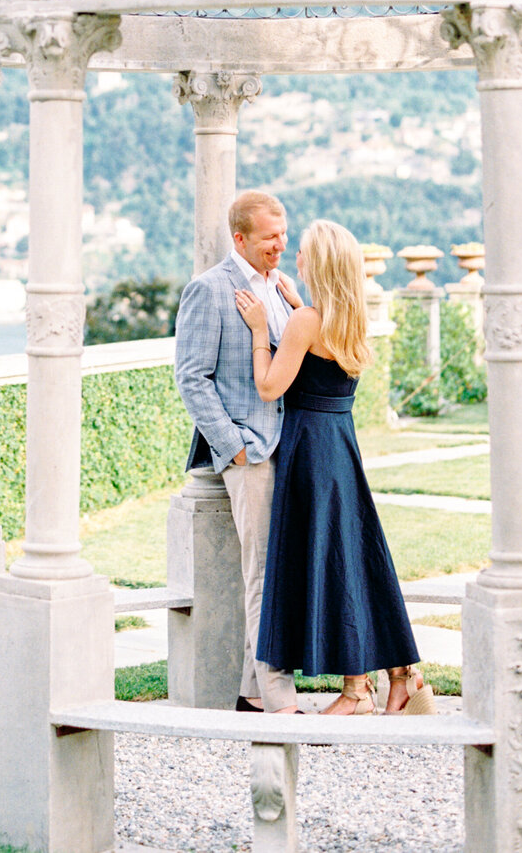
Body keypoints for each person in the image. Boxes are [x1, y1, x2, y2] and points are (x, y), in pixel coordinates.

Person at [235, 217, 434, 716]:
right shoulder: (348, 318)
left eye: (301, 251)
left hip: (309, 452)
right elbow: (324, 356)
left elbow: (269, 387)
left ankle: (363, 689)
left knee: (334, 561)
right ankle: (396, 678)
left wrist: (262, 330)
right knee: (357, 559)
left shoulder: (306, 322)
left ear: (317, 263)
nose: (294, 257)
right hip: (340, 445)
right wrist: (298, 305)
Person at [174, 190, 300, 715]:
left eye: (284, 233)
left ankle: (251, 690)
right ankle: (279, 697)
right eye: (271, 237)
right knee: (262, 574)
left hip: (288, 448)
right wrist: (234, 448)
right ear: (240, 238)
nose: (281, 244)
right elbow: (192, 378)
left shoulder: (281, 287)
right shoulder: (209, 290)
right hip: (251, 453)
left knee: (276, 569)